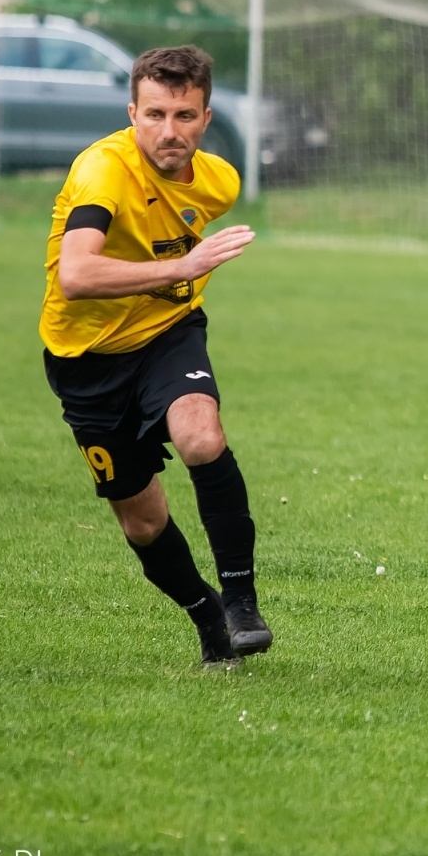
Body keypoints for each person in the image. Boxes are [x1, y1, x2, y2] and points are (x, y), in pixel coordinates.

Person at [40, 45, 269, 667]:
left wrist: (180, 279)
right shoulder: (103, 171)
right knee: (141, 523)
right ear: (132, 112)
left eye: (185, 116)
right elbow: (77, 275)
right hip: (86, 359)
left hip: (168, 331)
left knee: (201, 435)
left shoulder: (219, 181)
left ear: (206, 116)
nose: (170, 132)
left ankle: (242, 600)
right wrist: (185, 264)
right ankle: (208, 617)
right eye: (156, 115)